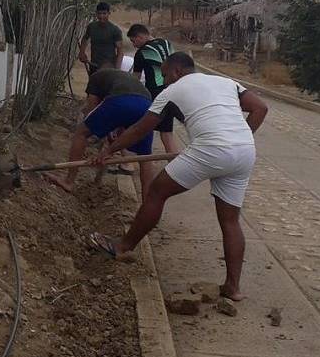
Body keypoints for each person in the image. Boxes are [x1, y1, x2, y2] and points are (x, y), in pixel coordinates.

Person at [86, 52, 268, 302]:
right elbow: (261, 107)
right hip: (245, 151)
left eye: (165, 74)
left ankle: (123, 246)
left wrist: (109, 150)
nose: (164, 80)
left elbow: (140, 129)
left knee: (156, 192)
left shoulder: (171, 92)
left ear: (177, 71)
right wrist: (238, 137)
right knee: (230, 220)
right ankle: (232, 287)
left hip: (211, 148)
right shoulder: (226, 82)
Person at [48, 68, 155, 194]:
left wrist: (97, 130)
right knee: (145, 157)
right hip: (147, 105)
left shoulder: (95, 78)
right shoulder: (122, 78)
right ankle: (148, 202)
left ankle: (69, 181)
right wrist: (109, 131)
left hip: (121, 100)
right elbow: (122, 121)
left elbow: (91, 108)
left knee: (81, 133)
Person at [127, 24, 178, 154]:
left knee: (144, 129)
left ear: (140, 36)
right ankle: (174, 163)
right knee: (166, 132)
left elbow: (135, 78)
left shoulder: (141, 53)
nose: (134, 45)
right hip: (173, 90)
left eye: (134, 41)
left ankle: (142, 160)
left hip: (155, 95)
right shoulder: (167, 43)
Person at [79, 2, 123, 76]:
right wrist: (82, 52)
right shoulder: (91, 27)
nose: (101, 16)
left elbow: (120, 52)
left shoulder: (115, 30)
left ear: (109, 13)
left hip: (108, 68)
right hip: (94, 65)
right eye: (99, 13)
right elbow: (85, 38)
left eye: (104, 13)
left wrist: (117, 70)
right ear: (96, 13)